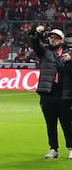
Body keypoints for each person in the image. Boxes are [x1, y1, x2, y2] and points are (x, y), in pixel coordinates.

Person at [29, 26, 72, 159]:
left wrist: (70, 62)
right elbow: (35, 42)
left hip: (64, 93)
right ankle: (53, 148)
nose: (52, 40)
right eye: (51, 37)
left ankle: (70, 147)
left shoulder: (69, 54)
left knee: (67, 124)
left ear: (61, 40)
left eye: (55, 38)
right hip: (48, 92)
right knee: (50, 123)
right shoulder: (44, 52)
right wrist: (37, 32)